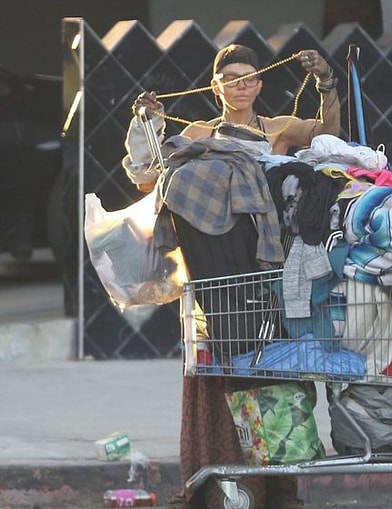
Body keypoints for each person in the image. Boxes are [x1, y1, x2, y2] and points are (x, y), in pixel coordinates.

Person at [122, 44, 341, 509]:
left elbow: (330, 134)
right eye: (231, 77)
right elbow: (147, 177)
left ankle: (276, 485)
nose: (241, 85)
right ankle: (221, 484)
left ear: (260, 84)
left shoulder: (280, 129)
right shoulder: (201, 133)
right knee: (222, 371)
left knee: (272, 370)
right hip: (220, 272)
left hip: (272, 266)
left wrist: (326, 83)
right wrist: (148, 124)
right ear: (215, 84)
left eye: (249, 77)